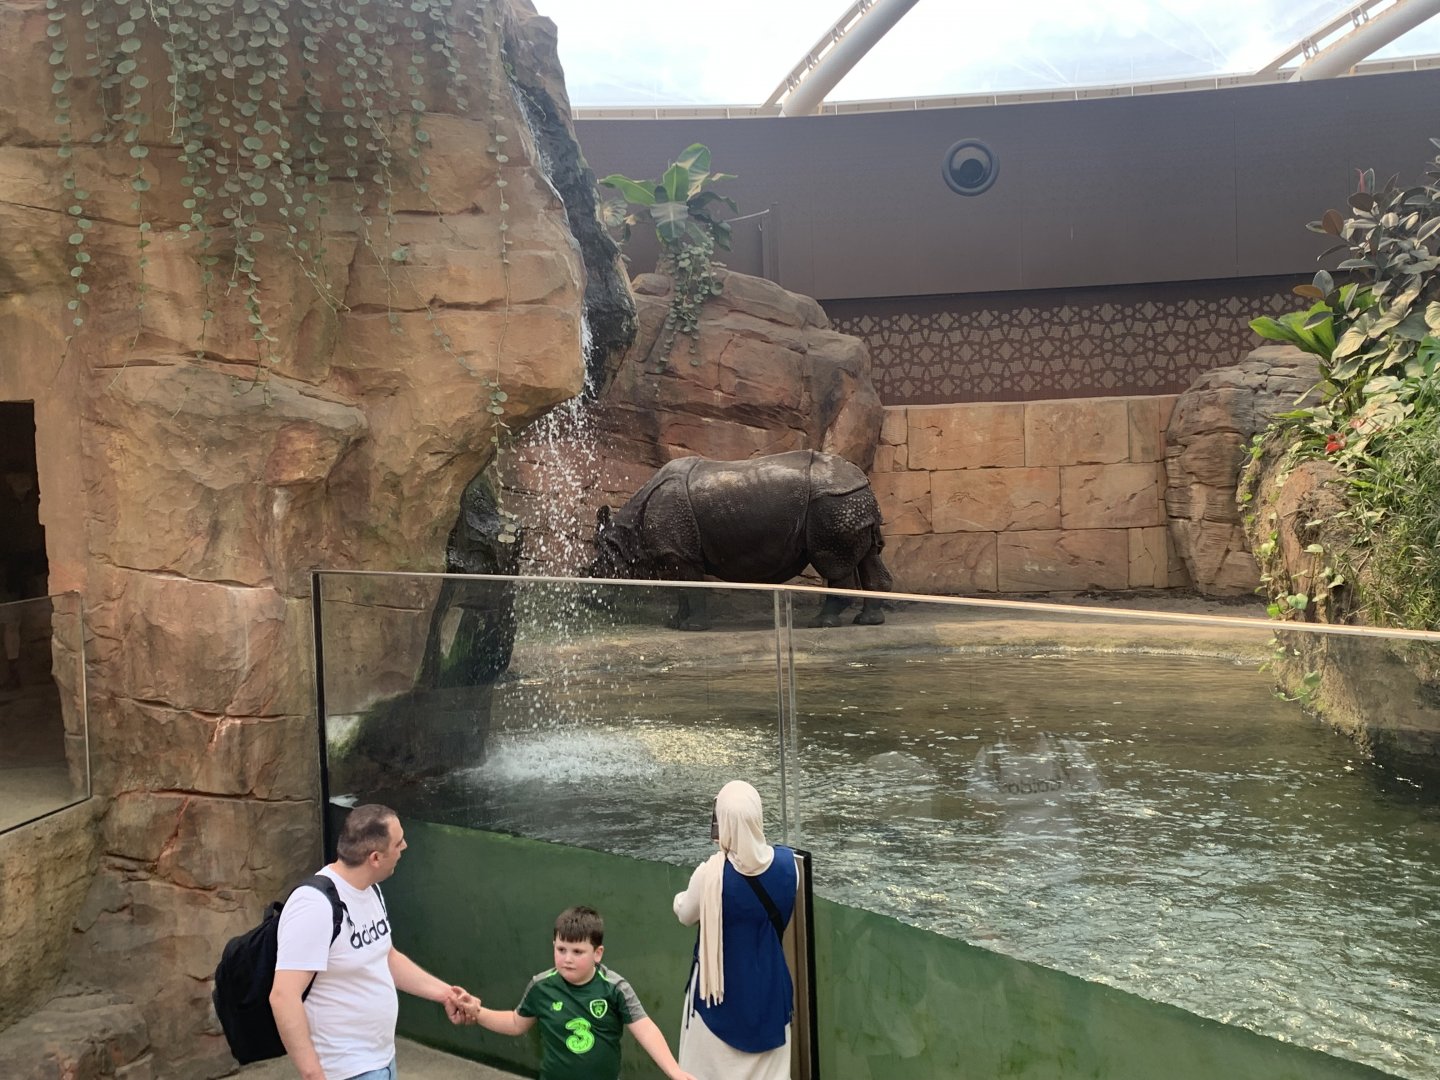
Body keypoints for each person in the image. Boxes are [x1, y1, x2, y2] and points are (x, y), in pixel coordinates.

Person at [270, 804, 474, 1080]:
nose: (405, 846)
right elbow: (283, 996)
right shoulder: (313, 906)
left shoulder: (370, 890)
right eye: (398, 843)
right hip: (343, 1070)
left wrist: (446, 994)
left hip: (382, 1059)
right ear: (375, 858)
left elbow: (385, 956)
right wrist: (313, 1074)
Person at [460, 905, 694, 1080]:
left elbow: (645, 1028)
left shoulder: (615, 988)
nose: (567, 959)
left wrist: (674, 1070)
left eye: (577, 952)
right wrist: (477, 1012)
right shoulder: (541, 986)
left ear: (597, 953)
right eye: (561, 949)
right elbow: (515, 1023)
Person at [673, 780, 798, 1080]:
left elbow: (685, 914)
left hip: (717, 998)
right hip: (771, 994)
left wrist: (682, 897)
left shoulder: (710, 875)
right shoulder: (789, 865)